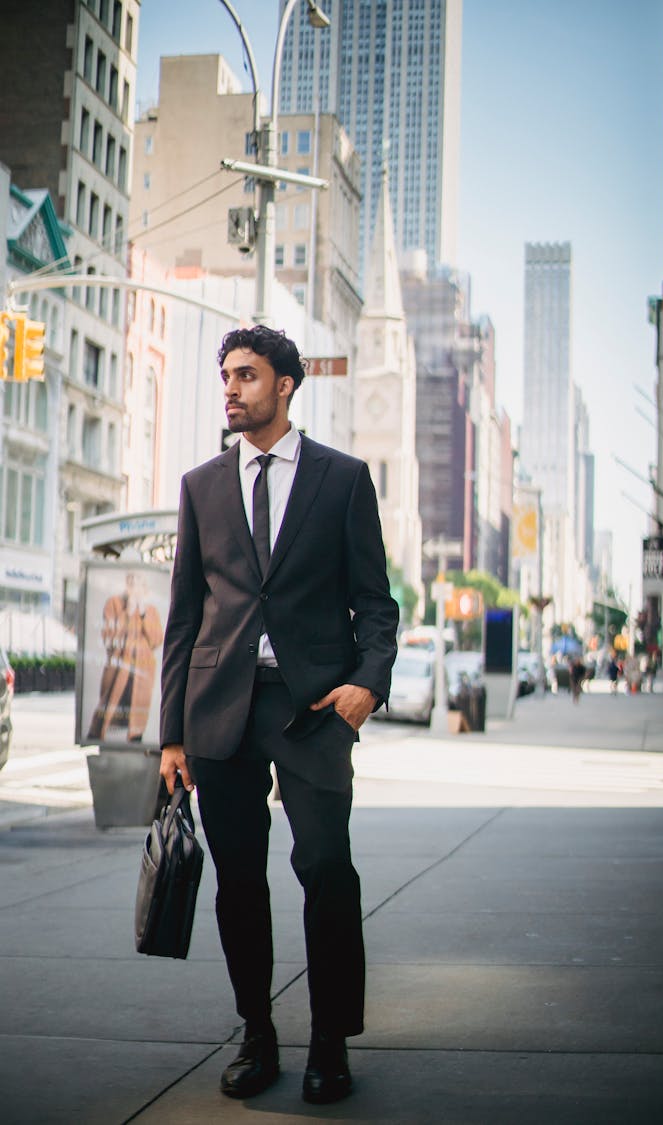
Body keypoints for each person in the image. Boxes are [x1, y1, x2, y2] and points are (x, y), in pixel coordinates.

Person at [159, 325, 399, 1106]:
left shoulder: (343, 478)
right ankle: (256, 1032)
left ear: (286, 385)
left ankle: (330, 1040)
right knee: (238, 882)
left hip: (313, 708)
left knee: (327, 868)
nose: (230, 389)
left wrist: (369, 683)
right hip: (220, 708)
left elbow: (377, 604)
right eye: (225, 375)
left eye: (247, 376)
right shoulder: (202, 485)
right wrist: (171, 733)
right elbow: (184, 616)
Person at [87, 572, 163, 742]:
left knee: (137, 712)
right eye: (132, 583)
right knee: (108, 706)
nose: (135, 588)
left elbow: (156, 640)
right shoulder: (114, 603)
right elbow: (109, 638)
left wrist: (142, 613)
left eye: (140, 584)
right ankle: (96, 736)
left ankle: (135, 737)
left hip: (142, 670)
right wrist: (127, 612)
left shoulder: (150, 610)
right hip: (119, 667)